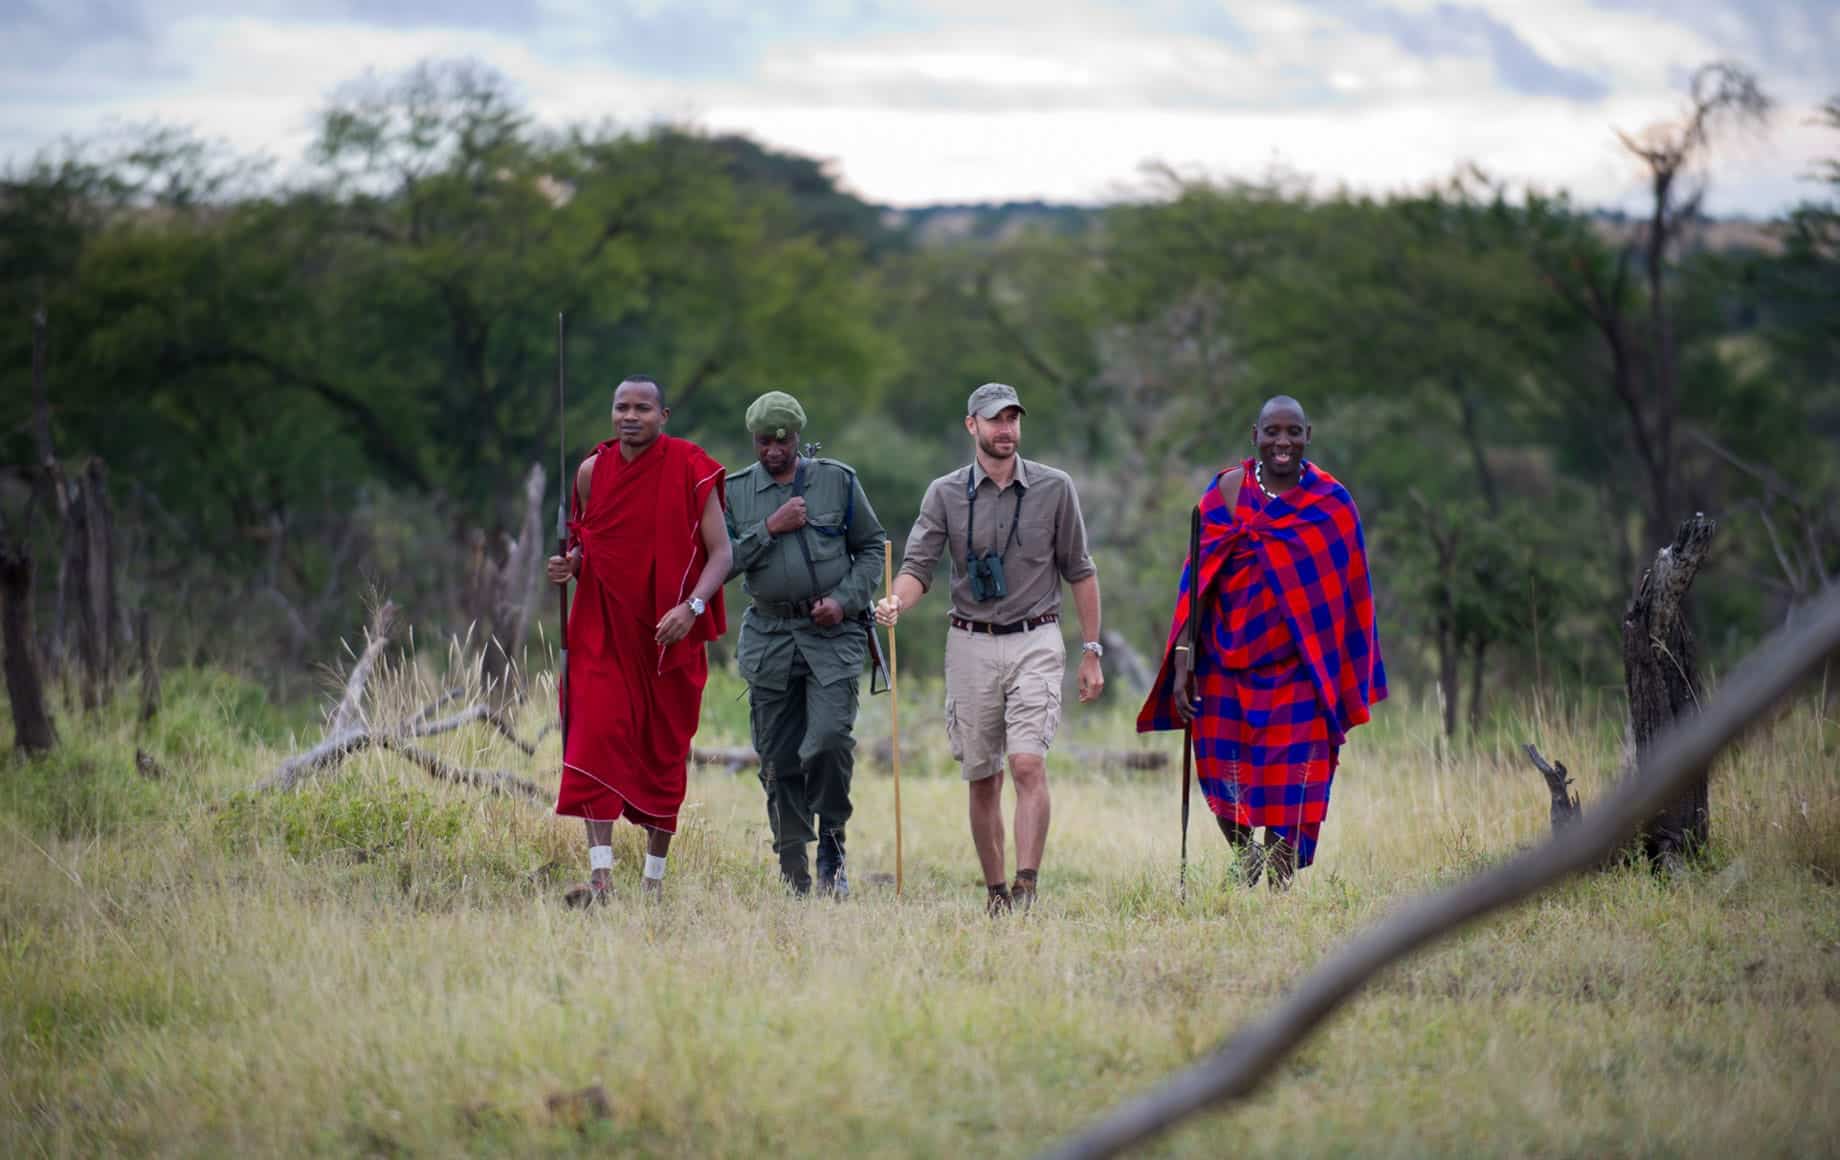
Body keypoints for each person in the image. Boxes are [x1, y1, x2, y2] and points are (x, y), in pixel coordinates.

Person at [1136, 395, 1386, 888]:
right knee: (1220, 766)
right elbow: (1197, 583)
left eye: (1293, 432)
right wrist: (1184, 659)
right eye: (1272, 431)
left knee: (1295, 781)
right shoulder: (1226, 493)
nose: (1282, 442)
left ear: (1307, 436)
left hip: (1299, 671)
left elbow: (1349, 594)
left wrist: (1336, 672)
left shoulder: (1331, 505)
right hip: (1226, 663)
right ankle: (1244, 854)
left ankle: (1278, 876)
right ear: (1255, 436)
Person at [874, 382, 1105, 915]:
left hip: (1037, 637)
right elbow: (917, 568)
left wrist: (1091, 649)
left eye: (1013, 419)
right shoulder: (945, 493)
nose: (1006, 429)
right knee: (983, 775)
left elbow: (1081, 570)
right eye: (995, 419)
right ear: (971, 425)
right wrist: (895, 602)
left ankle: (1027, 886)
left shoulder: (1055, 487)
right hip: (971, 641)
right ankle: (996, 891)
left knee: (1027, 764)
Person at [547, 375, 732, 905]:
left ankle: (653, 879)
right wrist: (570, 563)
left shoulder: (690, 467)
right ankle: (601, 877)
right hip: (601, 632)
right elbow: (592, 543)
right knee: (594, 740)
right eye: (621, 406)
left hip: (666, 637)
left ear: (663, 416)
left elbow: (723, 554)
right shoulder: (591, 471)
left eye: (642, 408)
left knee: (663, 751)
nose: (630, 416)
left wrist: (690, 607)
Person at [724, 391, 888, 897]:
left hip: (831, 634)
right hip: (769, 634)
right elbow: (722, 561)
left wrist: (844, 600)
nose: (773, 450)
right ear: (752, 440)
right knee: (776, 755)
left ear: (798, 437)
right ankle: (792, 859)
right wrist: (769, 529)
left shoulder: (837, 480)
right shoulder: (733, 491)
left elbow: (871, 548)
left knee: (829, 741)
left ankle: (833, 845)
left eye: (783, 440)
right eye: (763, 442)